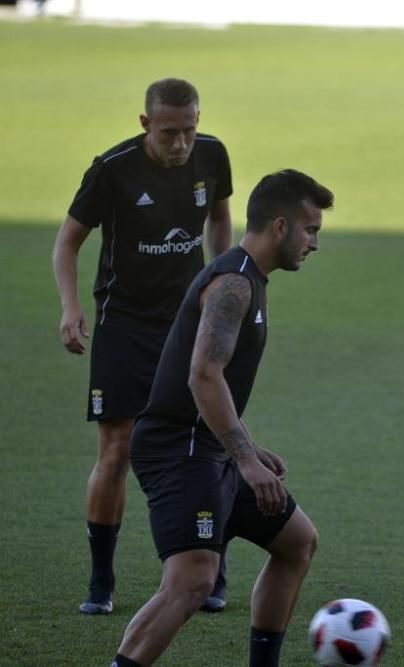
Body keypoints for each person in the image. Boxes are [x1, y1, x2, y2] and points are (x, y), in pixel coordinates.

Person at [110, 168, 332, 667]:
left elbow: (218, 384)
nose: (315, 243)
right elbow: (203, 375)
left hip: (209, 447)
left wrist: (249, 449)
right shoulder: (233, 284)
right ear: (280, 226)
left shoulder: (251, 279)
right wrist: (246, 462)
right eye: (311, 229)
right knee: (191, 582)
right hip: (179, 449)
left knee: (297, 542)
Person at [53, 78, 234, 614]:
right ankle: (101, 581)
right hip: (124, 323)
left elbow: (221, 216)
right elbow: (67, 242)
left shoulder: (213, 154)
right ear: (145, 123)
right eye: (169, 132)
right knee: (117, 451)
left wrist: (220, 282)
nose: (181, 143)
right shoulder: (112, 169)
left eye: (190, 129)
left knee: (209, 440)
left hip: (189, 325)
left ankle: (212, 568)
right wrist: (70, 306)